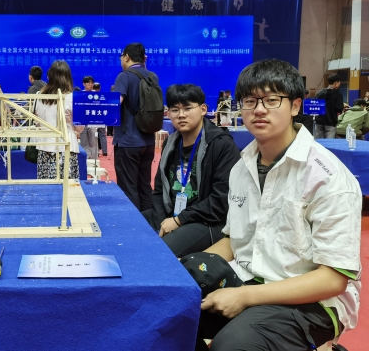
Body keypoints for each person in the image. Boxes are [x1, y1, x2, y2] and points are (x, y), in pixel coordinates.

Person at [191, 59, 361, 351]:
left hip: (315, 301)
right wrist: (185, 272)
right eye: (250, 101)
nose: (259, 109)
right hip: (250, 277)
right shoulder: (241, 167)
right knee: (170, 307)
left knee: (233, 345)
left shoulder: (328, 176)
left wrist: (244, 297)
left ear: (295, 105)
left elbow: (333, 279)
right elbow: (234, 240)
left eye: (271, 100)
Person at [142, 84, 240, 257]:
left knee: (158, 253)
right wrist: (162, 223)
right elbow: (158, 190)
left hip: (207, 221)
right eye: (175, 110)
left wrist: (179, 220)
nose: (181, 115)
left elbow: (221, 200)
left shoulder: (221, 144)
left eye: (188, 108)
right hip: (172, 213)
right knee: (128, 228)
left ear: (203, 109)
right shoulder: (170, 143)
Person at [113, 42, 156, 211]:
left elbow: (116, 103)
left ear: (126, 57)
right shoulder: (152, 76)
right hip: (148, 140)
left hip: (128, 141)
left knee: (128, 187)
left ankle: (134, 225)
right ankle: (149, 221)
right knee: (144, 185)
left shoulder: (125, 76)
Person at [34, 60, 83, 179]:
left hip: (44, 147)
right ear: (68, 77)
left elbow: (37, 122)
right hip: (66, 147)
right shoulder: (72, 98)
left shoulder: (39, 95)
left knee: (46, 185)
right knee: (67, 186)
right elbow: (79, 127)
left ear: (49, 76)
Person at [314, 73, 344, 139]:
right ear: (336, 83)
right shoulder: (338, 95)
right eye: (339, 83)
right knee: (329, 144)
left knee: (318, 143)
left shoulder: (319, 93)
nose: (339, 84)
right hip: (331, 123)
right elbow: (339, 108)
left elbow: (316, 107)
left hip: (318, 122)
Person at [79, 75, 97, 159]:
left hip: (92, 121)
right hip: (82, 121)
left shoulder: (96, 95)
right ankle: (85, 159)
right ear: (84, 84)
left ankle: (94, 159)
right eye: (88, 83)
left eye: (92, 83)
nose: (90, 84)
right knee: (84, 142)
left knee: (93, 142)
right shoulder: (80, 94)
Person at [92, 82, 108, 156]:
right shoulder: (103, 96)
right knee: (102, 135)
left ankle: (96, 152)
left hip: (93, 118)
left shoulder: (90, 97)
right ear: (100, 88)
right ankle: (105, 151)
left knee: (94, 135)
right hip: (102, 118)